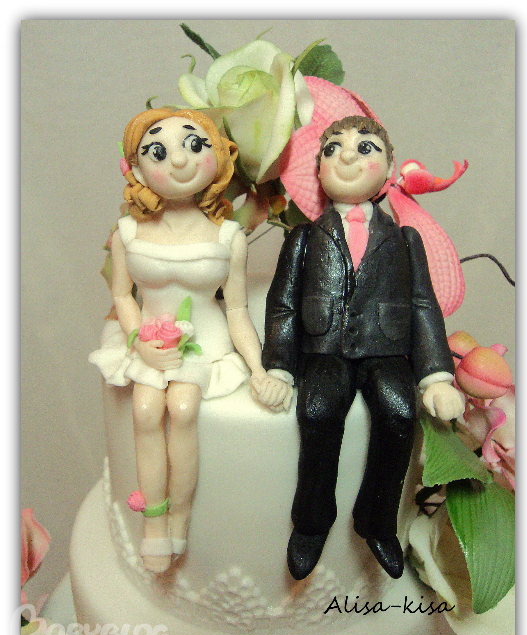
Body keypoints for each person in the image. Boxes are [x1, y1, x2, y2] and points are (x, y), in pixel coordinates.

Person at [259, 115, 464, 580]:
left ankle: (376, 520)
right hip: (324, 348)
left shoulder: (404, 239)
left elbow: (423, 303)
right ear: (318, 170)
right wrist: (280, 367)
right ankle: (312, 522)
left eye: (365, 147)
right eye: (332, 149)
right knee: (317, 411)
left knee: (400, 412)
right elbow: (283, 303)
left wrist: (436, 375)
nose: (347, 155)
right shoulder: (304, 237)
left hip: (385, 348)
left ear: (390, 168)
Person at [90, 108, 285, 573]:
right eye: (158, 151)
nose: (179, 160)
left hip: (204, 343)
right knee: (143, 410)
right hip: (149, 341)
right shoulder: (128, 232)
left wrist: (258, 367)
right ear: (137, 170)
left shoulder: (229, 236)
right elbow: (123, 295)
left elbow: (235, 310)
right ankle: (153, 524)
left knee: (182, 408)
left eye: (194, 145)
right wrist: (138, 340)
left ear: (217, 158)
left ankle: (180, 519)